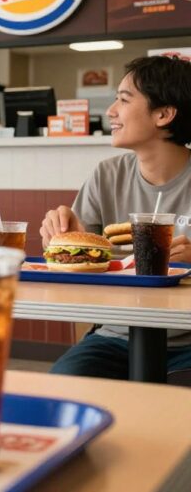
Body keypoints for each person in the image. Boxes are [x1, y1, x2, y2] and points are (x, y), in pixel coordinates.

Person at [40, 55, 191, 380]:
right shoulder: (108, 175)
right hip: (115, 338)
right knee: (63, 390)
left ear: (163, 114)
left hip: (187, 339)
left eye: (123, 100)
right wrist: (67, 240)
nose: (111, 111)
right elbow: (75, 273)